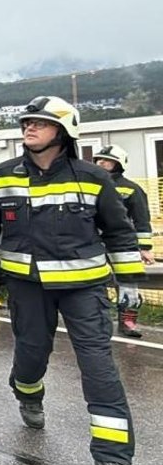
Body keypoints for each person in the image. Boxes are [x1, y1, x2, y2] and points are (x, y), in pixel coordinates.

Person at [0, 96, 146, 465]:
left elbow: (119, 232)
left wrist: (130, 282)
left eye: (40, 123)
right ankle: (27, 392)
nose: (29, 128)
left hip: (85, 288)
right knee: (31, 357)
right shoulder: (0, 177)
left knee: (99, 367)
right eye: (27, 122)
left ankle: (113, 460)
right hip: (27, 287)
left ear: (64, 132)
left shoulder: (93, 178)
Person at [93, 144, 156, 338]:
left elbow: (141, 219)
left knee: (129, 285)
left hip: (123, 245)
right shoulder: (88, 185)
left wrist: (144, 247)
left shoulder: (131, 189)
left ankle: (128, 322)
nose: (102, 163)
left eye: (107, 160)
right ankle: (95, 323)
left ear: (119, 164)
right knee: (93, 284)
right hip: (93, 243)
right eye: (99, 160)